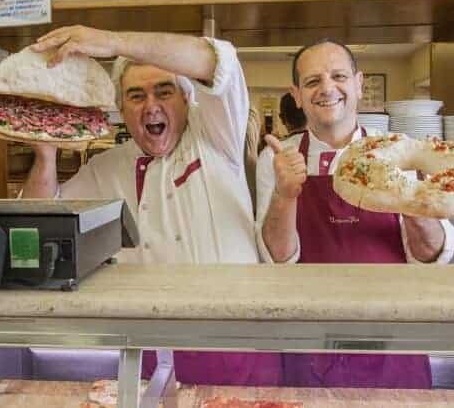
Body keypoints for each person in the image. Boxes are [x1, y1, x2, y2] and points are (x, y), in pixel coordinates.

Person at [22, 25, 283, 386]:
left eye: (164, 91)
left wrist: (113, 41)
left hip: (233, 343)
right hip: (146, 349)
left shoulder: (216, 138)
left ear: (187, 100)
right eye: (136, 96)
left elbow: (218, 59)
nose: (151, 106)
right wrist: (46, 157)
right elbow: (38, 222)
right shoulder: (105, 169)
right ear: (121, 110)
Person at [255, 39, 454, 388]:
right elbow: (278, 259)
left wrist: (404, 197)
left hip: (392, 340)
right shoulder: (276, 160)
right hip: (308, 340)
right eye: (313, 81)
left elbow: (430, 255)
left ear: (359, 84)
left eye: (338, 76)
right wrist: (285, 194)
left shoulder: (399, 152)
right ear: (297, 95)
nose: (327, 88)